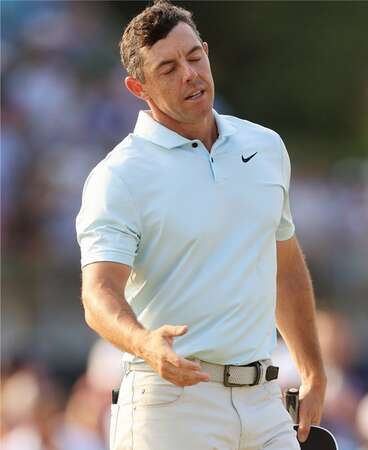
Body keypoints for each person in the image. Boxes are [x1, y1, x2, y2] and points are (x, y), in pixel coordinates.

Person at [75, 2, 326, 449]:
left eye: (194, 56)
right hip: (170, 403)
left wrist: (312, 370)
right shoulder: (119, 176)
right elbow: (98, 295)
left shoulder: (265, 146)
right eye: (168, 68)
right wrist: (145, 344)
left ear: (207, 52)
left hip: (265, 401)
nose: (190, 74)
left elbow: (283, 264)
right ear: (138, 87)